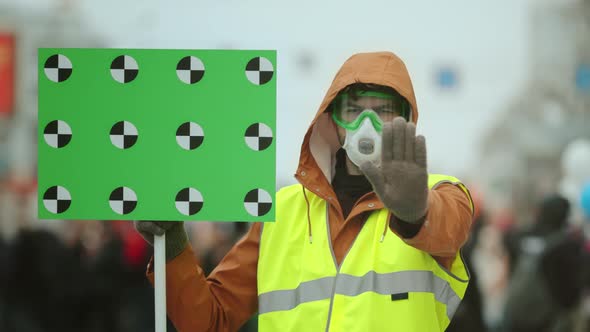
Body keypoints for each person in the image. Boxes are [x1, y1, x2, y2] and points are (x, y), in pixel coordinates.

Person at [135, 51, 474, 331]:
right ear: (333, 120)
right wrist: (173, 246)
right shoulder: (281, 213)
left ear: (405, 121)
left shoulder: (442, 194)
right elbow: (210, 320)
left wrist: (415, 213)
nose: (366, 125)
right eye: (353, 110)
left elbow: (448, 228)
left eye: (384, 111)